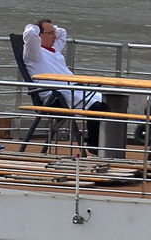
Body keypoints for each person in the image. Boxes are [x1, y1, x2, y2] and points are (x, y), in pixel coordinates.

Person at [21, 19, 108, 154]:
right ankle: (94, 144)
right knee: (96, 107)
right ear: (40, 35)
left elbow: (63, 33)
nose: (55, 36)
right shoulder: (33, 54)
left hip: (71, 88)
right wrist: (35, 27)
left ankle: (105, 143)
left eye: (54, 33)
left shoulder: (54, 50)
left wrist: (51, 29)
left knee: (108, 100)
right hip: (56, 95)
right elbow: (30, 34)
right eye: (50, 33)